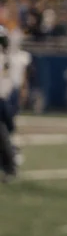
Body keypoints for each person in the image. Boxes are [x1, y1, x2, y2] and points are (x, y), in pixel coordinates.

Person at [0, 27, 18, 182]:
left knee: (2, 135)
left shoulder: (3, 58)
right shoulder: (6, 57)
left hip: (1, 99)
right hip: (4, 98)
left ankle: (10, 166)